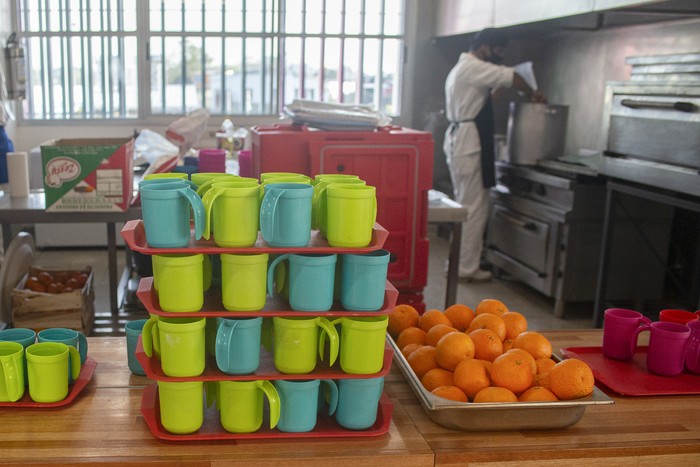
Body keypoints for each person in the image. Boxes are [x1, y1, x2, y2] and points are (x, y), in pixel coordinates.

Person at [443, 28, 546, 282]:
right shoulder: (472, 66)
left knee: (466, 205)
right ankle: (465, 267)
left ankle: (459, 263)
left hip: (461, 141)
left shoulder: (464, 68)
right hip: (469, 143)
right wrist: (532, 94)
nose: (499, 55)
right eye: (498, 50)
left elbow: (487, 94)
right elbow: (512, 76)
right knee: (472, 209)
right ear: (484, 47)